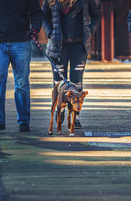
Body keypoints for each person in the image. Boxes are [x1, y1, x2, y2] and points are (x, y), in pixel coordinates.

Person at [0, 0, 42, 132]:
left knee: (21, 82)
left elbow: (36, 13)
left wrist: (34, 28)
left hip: (21, 42)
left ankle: (24, 121)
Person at [42, 0, 101, 128]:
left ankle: (75, 116)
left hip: (79, 45)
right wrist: (49, 32)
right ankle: (61, 110)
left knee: (76, 81)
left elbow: (96, 15)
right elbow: (43, 16)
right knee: (58, 81)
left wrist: (90, 30)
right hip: (58, 45)